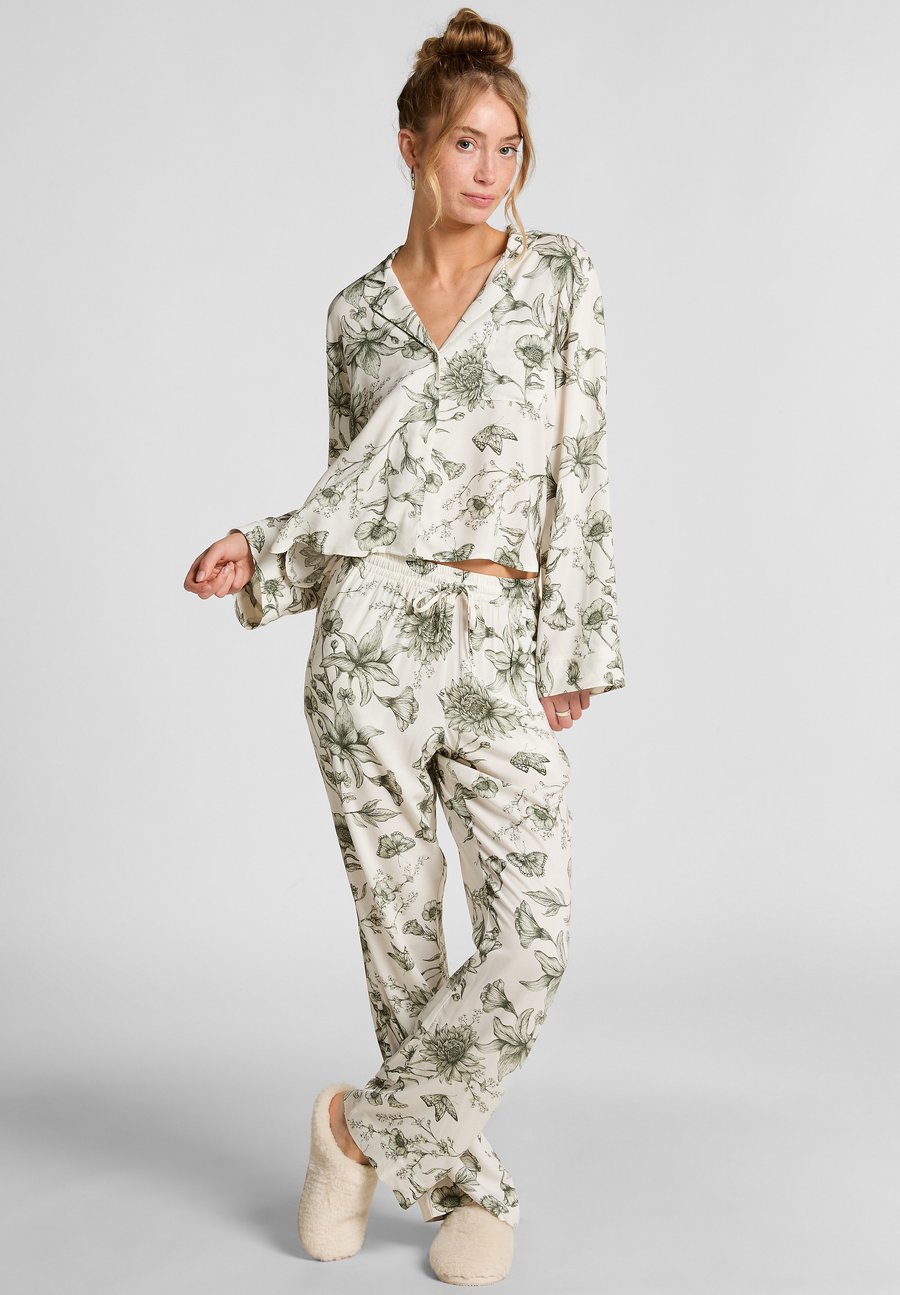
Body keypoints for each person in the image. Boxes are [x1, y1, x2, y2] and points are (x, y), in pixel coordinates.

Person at [184, 6, 625, 1284]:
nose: (491, 170)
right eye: (467, 144)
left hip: (498, 634)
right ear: (413, 149)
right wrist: (266, 550)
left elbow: (583, 471)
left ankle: (354, 1131)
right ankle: (464, 1188)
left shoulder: (557, 279)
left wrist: (573, 638)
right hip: (370, 639)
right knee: (402, 935)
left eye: (510, 147)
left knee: (532, 931)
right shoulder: (357, 315)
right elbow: (356, 489)